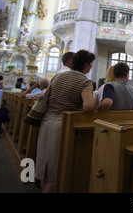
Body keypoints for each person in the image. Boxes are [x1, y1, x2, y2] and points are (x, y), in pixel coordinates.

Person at [35, 50, 97, 193]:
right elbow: (88, 106)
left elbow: (46, 96)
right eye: (91, 63)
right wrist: (96, 101)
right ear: (86, 64)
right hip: (63, 123)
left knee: (45, 165)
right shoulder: (84, 81)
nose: (92, 66)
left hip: (47, 120)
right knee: (58, 168)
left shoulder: (57, 76)